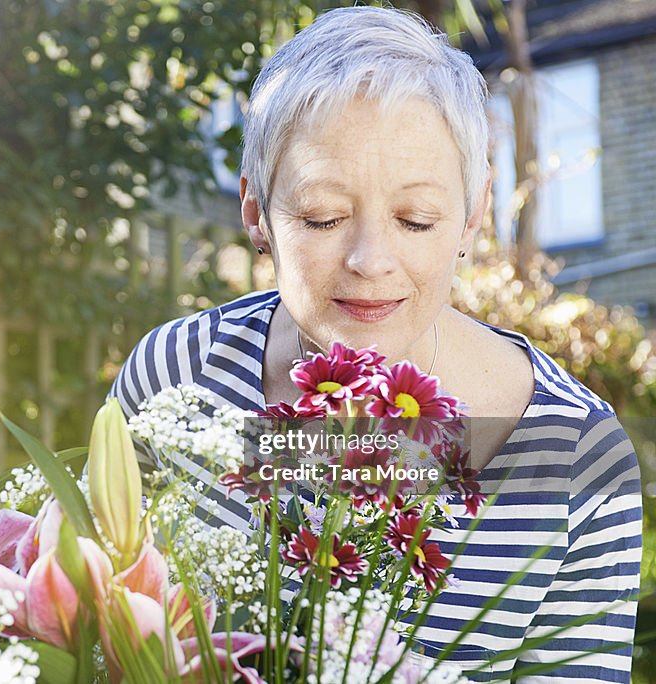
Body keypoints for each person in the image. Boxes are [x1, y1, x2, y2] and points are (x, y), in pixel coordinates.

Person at [110, 6, 642, 682]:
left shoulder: (575, 456)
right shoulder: (173, 379)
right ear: (256, 213)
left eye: (415, 220)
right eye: (323, 216)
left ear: (473, 215)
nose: (370, 260)